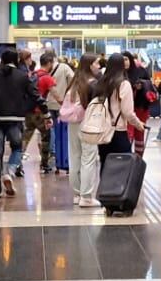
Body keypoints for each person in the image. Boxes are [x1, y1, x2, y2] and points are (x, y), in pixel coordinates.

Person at [0, 50, 39, 197]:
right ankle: (10, 172)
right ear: (15, 60)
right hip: (16, 118)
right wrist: (25, 108)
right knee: (17, 148)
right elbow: (34, 95)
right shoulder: (22, 76)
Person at [63, 54, 101, 208]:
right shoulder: (93, 83)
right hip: (88, 124)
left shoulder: (74, 82)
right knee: (88, 158)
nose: (99, 66)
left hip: (73, 123)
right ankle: (86, 196)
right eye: (97, 63)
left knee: (75, 157)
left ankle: (77, 194)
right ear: (90, 65)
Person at [92, 52, 145, 160]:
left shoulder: (101, 82)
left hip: (102, 131)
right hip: (118, 131)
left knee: (105, 165)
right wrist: (138, 124)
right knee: (122, 166)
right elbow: (128, 112)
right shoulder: (124, 84)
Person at [46, 53, 73, 175]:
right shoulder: (65, 68)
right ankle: (66, 163)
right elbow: (73, 80)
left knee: (54, 134)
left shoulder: (44, 70)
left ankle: (57, 163)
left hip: (49, 104)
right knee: (65, 134)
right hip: (63, 105)